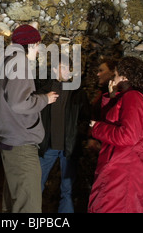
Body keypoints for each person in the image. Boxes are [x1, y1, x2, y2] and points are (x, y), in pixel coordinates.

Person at [0, 24, 59, 213]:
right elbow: (18, 103)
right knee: (28, 207)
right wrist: (44, 99)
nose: (39, 50)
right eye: (38, 45)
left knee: (13, 203)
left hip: (12, 142)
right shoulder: (19, 61)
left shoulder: (8, 60)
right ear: (30, 44)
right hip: (21, 145)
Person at [88, 56, 143, 213]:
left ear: (125, 77)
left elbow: (128, 136)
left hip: (123, 171)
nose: (114, 78)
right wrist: (112, 98)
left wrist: (97, 128)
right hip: (120, 167)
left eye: (116, 74)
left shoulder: (133, 97)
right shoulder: (129, 97)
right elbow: (113, 121)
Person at [37, 58, 90, 213]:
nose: (68, 71)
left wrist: (77, 136)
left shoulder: (78, 92)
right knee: (36, 185)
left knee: (68, 190)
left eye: (69, 67)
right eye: (64, 67)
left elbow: (85, 117)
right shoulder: (44, 91)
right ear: (55, 70)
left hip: (69, 149)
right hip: (48, 147)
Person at [88, 57, 119, 151]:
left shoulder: (117, 95)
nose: (98, 74)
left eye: (101, 71)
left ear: (112, 72)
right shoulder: (102, 94)